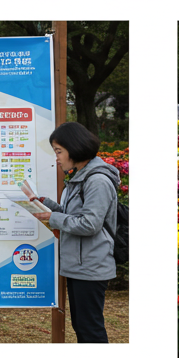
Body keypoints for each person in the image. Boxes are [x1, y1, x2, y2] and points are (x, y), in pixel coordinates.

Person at [28, 122, 120, 343]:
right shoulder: (79, 177)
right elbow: (73, 215)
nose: (57, 158)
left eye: (59, 151)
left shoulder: (97, 180)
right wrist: (46, 204)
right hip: (79, 265)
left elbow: (90, 224)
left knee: (90, 328)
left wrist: (54, 218)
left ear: (75, 147)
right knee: (82, 326)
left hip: (91, 266)